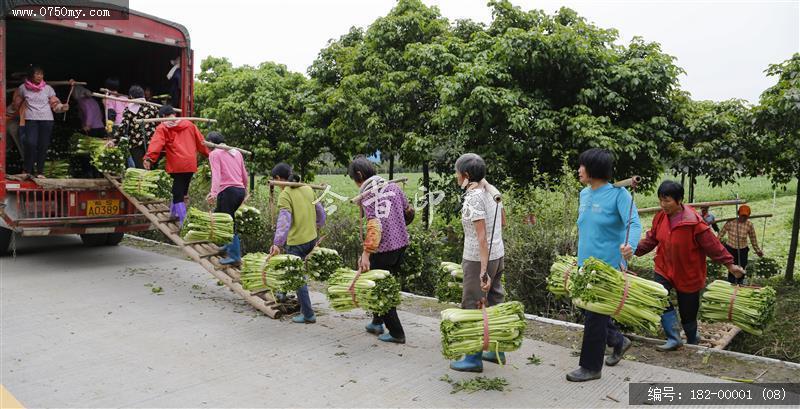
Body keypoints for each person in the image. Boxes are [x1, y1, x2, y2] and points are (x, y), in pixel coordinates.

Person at [626, 181, 745, 351]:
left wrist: (730, 264)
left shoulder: (694, 223)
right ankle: (674, 337)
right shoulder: (660, 217)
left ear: (679, 200)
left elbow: (713, 246)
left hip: (688, 273)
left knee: (688, 312)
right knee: (659, 297)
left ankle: (691, 337)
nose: (663, 205)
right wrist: (634, 249)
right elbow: (652, 238)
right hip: (664, 268)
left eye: (667, 201)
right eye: (661, 200)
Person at [566, 148, 641, 382]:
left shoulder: (619, 195)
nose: (579, 170)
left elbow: (633, 223)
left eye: (582, 166)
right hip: (584, 266)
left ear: (594, 169)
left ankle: (590, 367)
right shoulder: (584, 194)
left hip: (607, 268)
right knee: (587, 310)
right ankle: (619, 341)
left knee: (595, 317)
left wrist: (630, 245)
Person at [449, 153, 507, 373]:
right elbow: (502, 222)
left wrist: (483, 271)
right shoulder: (492, 192)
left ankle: (473, 358)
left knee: (473, 304)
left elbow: (481, 238)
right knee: (494, 301)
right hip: (498, 254)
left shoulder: (473, 197)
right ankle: (496, 350)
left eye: (457, 173)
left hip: (477, 259)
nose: (456, 177)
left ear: (465, 175)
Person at [349, 155, 411, 344]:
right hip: (400, 245)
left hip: (383, 249)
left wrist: (366, 254)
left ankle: (396, 333)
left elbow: (374, 228)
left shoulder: (368, 195)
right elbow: (409, 211)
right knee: (385, 280)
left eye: (354, 179)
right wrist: (397, 226)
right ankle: (377, 322)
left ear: (359, 175)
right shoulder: (393, 187)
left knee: (381, 289)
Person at [269, 163, 326, 324]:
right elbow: (320, 212)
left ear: (279, 179)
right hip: (311, 239)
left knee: (298, 277)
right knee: (292, 268)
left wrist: (277, 243)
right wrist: (318, 225)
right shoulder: (307, 188)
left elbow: (284, 223)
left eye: (275, 180)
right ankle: (282, 293)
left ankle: (308, 314)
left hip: (296, 243)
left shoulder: (285, 195)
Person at [143, 105, 209, 226]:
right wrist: (209, 154)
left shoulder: (163, 127)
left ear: (163, 116)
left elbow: (156, 144)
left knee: (178, 193)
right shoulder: (189, 124)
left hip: (177, 164)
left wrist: (149, 158)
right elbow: (201, 143)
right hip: (190, 163)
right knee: (181, 191)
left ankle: (183, 222)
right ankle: (173, 214)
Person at [11, 65, 69, 178]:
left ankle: (40, 172)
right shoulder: (23, 88)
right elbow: (16, 103)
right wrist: (15, 108)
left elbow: (55, 105)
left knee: (43, 145)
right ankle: (27, 169)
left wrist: (62, 107)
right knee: (30, 144)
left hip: (46, 120)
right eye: (37, 74)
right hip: (31, 120)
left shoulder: (48, 89)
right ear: (31, 75)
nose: (39, 76)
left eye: (41, 74)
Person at [205, 132, 249, 265]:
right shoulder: (237, 153)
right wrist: (244, 190)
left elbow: (216, 175)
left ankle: (235, 256)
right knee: (222, 216)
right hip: (239, 190)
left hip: (228, 191)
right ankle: (227, 246)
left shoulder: (215, 154)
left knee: (228, 224)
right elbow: (244, 174)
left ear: (211, 143)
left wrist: (213, 193)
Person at [109, 85, 159, 168]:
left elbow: (123, 126)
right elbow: (158, 124)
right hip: (151, 143)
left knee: (140, 168)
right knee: (151, 167)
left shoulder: (129, 109)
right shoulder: (153, 107)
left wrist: (115, 140)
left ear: (131, 96)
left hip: (136, 143)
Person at [719, 205, 764, 284]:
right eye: (742, 215)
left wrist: (758, 251)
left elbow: (753, 239)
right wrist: (714, 246)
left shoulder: (749, 225)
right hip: (731, 248)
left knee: (742, 266)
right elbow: (720, 235)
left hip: (743, 249)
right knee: (732, 266)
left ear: (748, 216)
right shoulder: (730, 222)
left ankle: (740, 282)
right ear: (738, 213)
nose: (743, 218)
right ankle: (731, 282)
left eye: (745, 216)